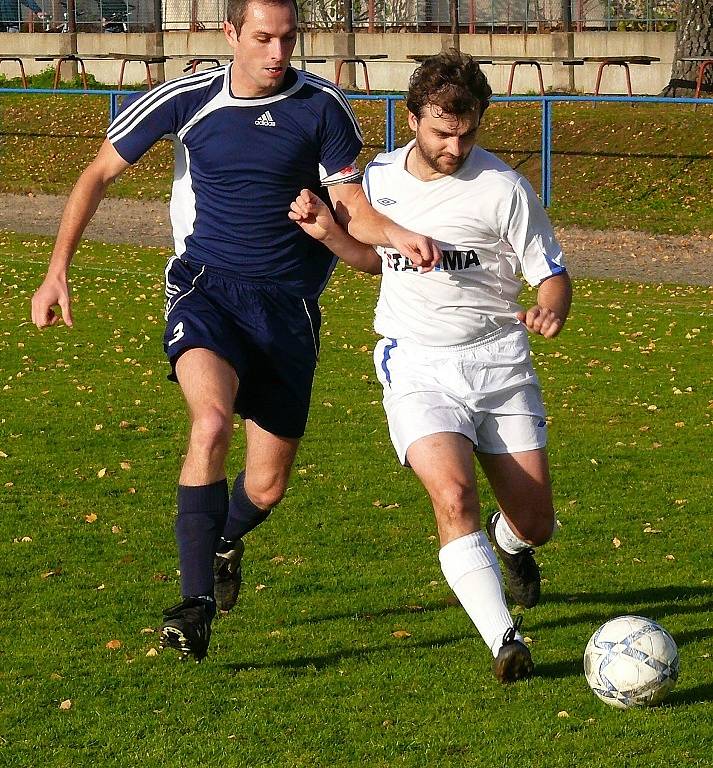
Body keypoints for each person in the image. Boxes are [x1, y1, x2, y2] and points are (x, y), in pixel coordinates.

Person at [30, 0, 440, 663]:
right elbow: (97, 173)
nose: (276, 53)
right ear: (230, 34)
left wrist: (399, 236)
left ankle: (226, 537)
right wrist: (57, 272)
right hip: (207, 290)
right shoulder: (188, 98)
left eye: (286, 39)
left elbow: (352, 207)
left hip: (288, 310)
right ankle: (192, 605)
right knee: (210, 423)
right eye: (262, 39)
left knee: (266, 486)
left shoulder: (324, 107)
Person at [290, 50, 572, 683]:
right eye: (443, 131)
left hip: (499, 365)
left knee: (536, 522)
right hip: (416, 362)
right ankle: (504, 638)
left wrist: (549, 309)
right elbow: (372, 261)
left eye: (467, 132)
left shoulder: (505, 189)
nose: (455, 145)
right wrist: (327, 233)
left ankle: (512, 542)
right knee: (452, 493)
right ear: (413, 118)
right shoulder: (377, 182)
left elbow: (551, 276)